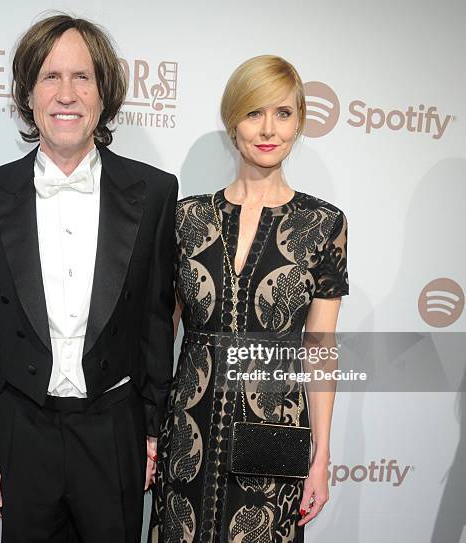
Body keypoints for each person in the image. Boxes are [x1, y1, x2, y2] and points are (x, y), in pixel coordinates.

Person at [0, 14, 178, 543]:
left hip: (114, 431)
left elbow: (155, 324)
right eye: (50, 77)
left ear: (104, 94)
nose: (67, 94)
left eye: (83, 77)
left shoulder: (153, 193)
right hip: (22, 430)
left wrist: (152, 432)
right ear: (28, 94)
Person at [149, 55, 349, 542]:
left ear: (299, 121)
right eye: (253, 112)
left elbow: (320, 349)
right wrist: (151, 432)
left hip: (275, 424)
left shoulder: (324, 224)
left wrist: (320, 457)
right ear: (231, 119)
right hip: (189, 424)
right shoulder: (185, 218)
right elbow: (162, 334)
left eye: (282, 113)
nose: (268, 129)